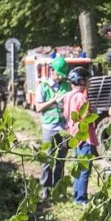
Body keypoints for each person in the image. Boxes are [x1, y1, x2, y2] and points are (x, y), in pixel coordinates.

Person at [34, 56, 71, 201]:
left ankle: (58, 189)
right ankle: (45, 189)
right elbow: (38, 107)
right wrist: (53, 100)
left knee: (61, 160)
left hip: (63, 127)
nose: (61, 76)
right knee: (47, 159)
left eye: (63, 74)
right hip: (49, 127)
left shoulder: (66, 86)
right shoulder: (43, 87)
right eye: (59, 73)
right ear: (52, 71)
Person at [61, 67, 98, 204]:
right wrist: (93, 112)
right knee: (84, 169)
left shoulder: (68, 96)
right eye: (87, 80)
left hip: (74, 136)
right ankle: (81, 199)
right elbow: (87, 117)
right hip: (85, 137)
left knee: (78, 167)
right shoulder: (82, 97)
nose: (89, 83)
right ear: (81, 81)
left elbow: (66, 115)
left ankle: (76, 195)